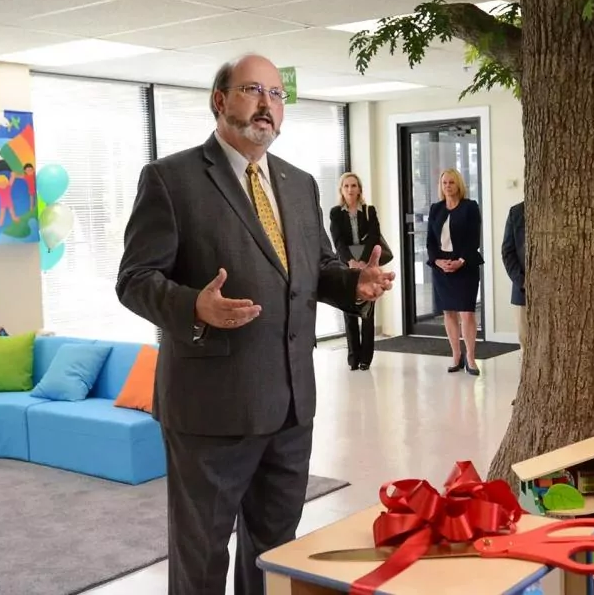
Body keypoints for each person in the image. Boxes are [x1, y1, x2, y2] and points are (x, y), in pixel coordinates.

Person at [115, 53, 394, 595]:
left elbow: (314, 268)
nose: (267, 104)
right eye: (252, 90)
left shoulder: (299, 183)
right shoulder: (171, 179)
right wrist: (195, 306)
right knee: (201, 556)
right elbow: (134, 279)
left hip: (290, 407)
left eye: (276, 94)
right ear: (220, 100)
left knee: (275, 553)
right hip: (210, 411)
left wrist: (352, 283)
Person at [426, 168, 483, 375]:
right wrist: (437, 261)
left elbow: (474, 239)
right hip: (442, 267)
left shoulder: (470, 207)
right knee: (448, 312)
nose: (448, 186)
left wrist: (460, 261)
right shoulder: (436, 209)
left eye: (451, 182)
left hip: (465, 266)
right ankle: (456, 355)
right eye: (444, 183)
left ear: (458, 184)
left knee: (466, 313)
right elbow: (430, 241)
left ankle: (471, 358)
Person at [329, 172, 380, 370]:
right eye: (346, 186)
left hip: (367, 263)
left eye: (353, 185)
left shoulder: (369, 211)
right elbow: (338, 240)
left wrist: (363, 261)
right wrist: (350, 261)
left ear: (359, 189)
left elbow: (374, 236)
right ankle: (353, 358)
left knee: (367, 311)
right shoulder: (335, 213)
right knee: (348, 309)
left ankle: (366, 358)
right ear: (341, 190)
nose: (350, 189)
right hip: (346, 264)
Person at [501, 200, 526, 349]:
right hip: (523, 290)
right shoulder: (516, 212)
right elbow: (507, 252)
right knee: (525, 343)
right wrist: (522, 281)